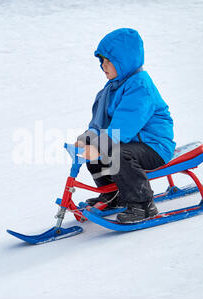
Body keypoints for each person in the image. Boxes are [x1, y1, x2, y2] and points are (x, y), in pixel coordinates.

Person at [75, 28, 176, 223]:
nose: (103, 66)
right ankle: (114, 194)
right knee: (97, 147)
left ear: (124, 61)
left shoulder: (140, 86)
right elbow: (100, 123)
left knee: (116, 154)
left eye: (109, 61)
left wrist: (99, 146)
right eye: (101, 61)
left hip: (154, 146)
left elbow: (125, 126)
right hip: (129, 141)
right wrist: (88, 138)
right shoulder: (112, 88)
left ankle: (143, 204)